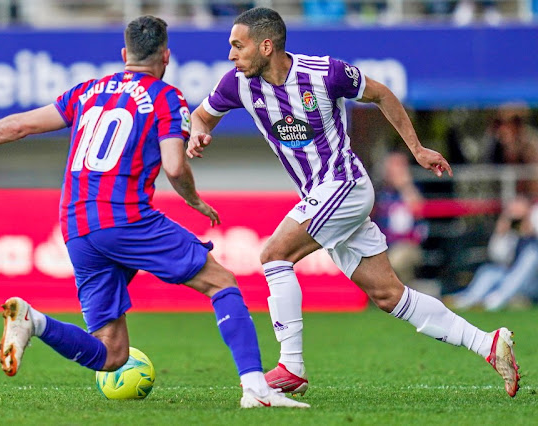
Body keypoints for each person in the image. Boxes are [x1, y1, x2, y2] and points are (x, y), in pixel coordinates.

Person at [0, 15, 307, 409]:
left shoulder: (88, 91)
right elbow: (174, 166)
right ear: (165, 56)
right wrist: (193, 199)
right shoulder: (166, 97)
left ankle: (33, 321)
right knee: (221, 283)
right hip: (124, 218)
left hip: (75, 223)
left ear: (124, 54)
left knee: (112, 353)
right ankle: (256, 388)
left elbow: (20, 125)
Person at [187, 7, 520, 398]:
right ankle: (488, 343)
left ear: (266, 45)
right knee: (389, 296)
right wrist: (197, 133)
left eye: (237, 45)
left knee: (274, 254)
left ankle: (291, 366)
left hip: (344, 185)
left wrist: (416, 149)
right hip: (320, 196)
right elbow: (201, 116)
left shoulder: (324, 73)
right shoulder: (238, 84)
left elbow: (381, 94)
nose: (231, 54)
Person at [450, 196, 538, 311]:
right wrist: (502, 233)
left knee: (531, 254)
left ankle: (497, 299)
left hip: (533, 283)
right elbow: (497, 257)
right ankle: (469, 299)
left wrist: (530, 229)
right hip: (513, 280)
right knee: (489, 271)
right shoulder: (512, 233)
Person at [372, 152, 426, 285]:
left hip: (407, 245)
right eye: (392, 166)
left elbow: (419, 210)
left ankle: (405, 297)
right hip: (382, 245)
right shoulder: (381, 192)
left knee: (397, 260)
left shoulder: (412, 190)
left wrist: (405, 186)